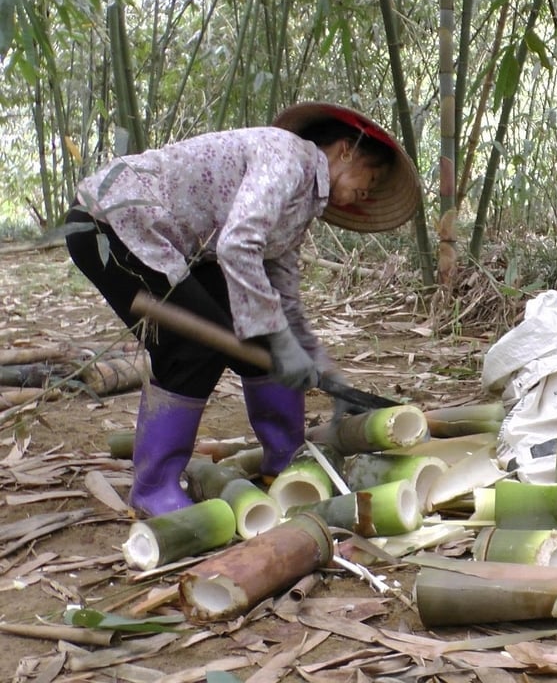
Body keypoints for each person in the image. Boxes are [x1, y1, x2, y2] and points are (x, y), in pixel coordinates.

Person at [65, 103, 420, 516]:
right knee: (192, 347)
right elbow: (237, 245)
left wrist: (316, 364)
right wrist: (282, 340)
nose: (369, 191)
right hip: (114, 224)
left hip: (176, 248)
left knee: (265, 336)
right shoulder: (288, 159)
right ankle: (153, 487)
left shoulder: (299, 208)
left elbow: (283, 300)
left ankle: (285, 464)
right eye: (371, 177)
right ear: (345, 150)